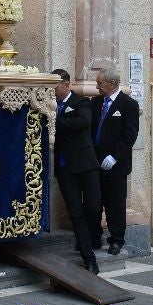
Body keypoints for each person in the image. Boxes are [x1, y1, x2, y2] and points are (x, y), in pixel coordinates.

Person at [51, 69, 101, 274]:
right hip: (64, 167)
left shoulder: (82, 103)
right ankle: (89, 258)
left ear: (65, 84)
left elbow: (82, 122)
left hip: (85, 164)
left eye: (54, 87)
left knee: (93, 206)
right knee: (76, 212)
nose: (51, 92)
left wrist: (54, 122)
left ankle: (91, 239)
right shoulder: (48, 106)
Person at [91, 66, 140, 256]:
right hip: (95, 162)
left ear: (111, 84)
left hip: (115, 165)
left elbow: (130, 135)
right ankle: (94, 238)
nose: (97, 87)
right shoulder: (95, 102)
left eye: (100, 83)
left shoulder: (128, 104)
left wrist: (115, 156)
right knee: (94, 202)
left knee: (115, 205)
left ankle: (116, 240)